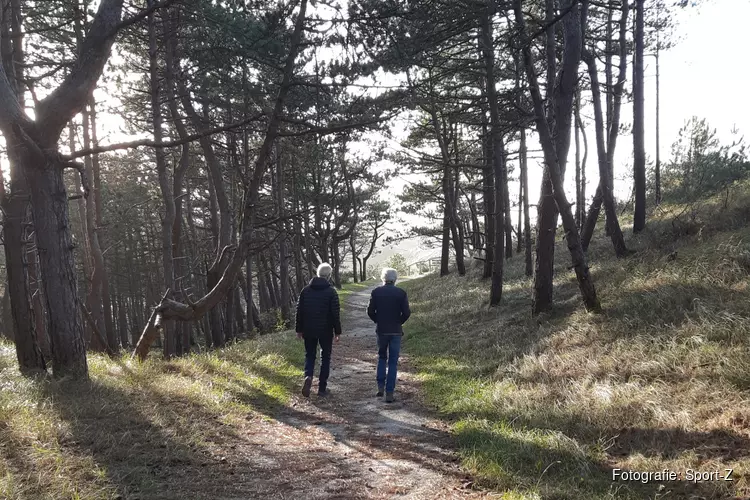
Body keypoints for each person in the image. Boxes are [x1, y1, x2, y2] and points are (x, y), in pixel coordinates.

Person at [295, 262, 341, 397]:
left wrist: (299, 329)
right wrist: (337, 332)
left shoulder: (305, 290)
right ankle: (322, 388)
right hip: (325, 330)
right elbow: (335, 314)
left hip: (308, 329)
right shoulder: (331, 292)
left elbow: (299, 311)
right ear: (329, 276)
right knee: (325, 357)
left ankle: (308, 376)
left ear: (318, 274)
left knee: (310, 355)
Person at [367, 267, 411, 403]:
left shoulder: (376, 292)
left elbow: (370, 311)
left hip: (382, 330)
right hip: (396, 331)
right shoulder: (401, 293)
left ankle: (380, 387)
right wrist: (399, 322)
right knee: (393, 361)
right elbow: (407, 313)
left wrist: (377, 320)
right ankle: (390, 392)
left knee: (381, 357)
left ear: (383, 278)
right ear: (395, 279)